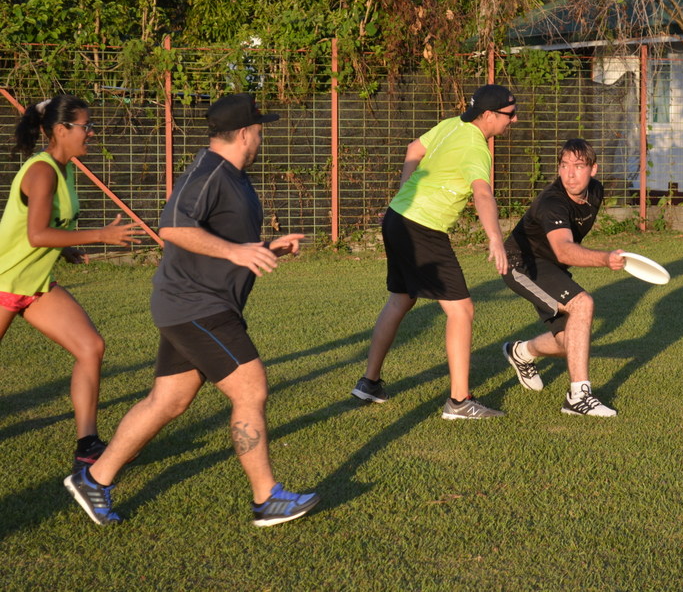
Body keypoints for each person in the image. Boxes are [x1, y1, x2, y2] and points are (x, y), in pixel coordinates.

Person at [64, 93, 319, 527]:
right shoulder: (208, 172)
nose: (261, 139)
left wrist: (263, 248)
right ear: (244, 133)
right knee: (250, 389)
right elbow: (173, 227)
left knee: (168, 400)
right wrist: (237, 253)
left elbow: (222, 240)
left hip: (197, 304)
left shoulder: (234, 176)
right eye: (260, 131)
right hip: (196, 305)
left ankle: (94, 479)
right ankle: (267, 498)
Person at [351, 84, 515, 419]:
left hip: (398, 218)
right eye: (510, 114)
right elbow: (483, 194)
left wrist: (404, 193)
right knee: (462, 310)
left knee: (401, 299)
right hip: (422, 228)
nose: (514, 120)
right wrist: (495, 238)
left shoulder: (453, 124)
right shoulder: (476, 147)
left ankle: (370, 383)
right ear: (488, 115)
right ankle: (459, 401)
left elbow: (414, 148)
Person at [0, 94, 143, 472]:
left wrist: (65, 250)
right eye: (86, 126)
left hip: (34, 284)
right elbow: (36, 235)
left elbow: (47, 227)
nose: (92, 133)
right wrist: (100, 236)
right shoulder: (42, 171)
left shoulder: (63, 170)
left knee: (90, 347)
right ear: (61, 130)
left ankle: (88, 445)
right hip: (4, 282)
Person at [500, 138, 625, 417]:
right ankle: (578, 396)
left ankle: (521, 352)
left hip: (550, 267)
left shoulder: (595, 191)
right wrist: (605, 259)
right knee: (583, 303)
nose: (570, 174)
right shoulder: (552, 202)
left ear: (593, 169)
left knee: (569, 343)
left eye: (578, 166)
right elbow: (564, 250)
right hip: (521, 264)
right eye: (564, 165)